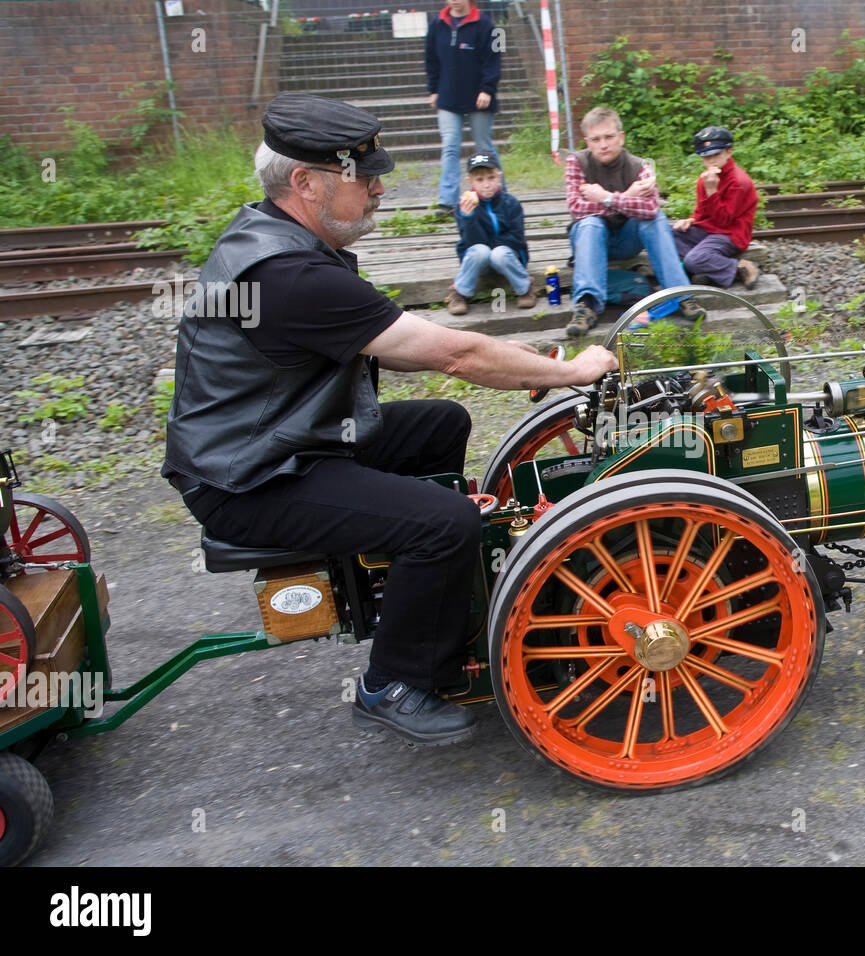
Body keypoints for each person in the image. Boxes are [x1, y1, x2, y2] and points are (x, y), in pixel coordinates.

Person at [162, 93, 616, 747]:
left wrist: (531, 366)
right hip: (250, 478)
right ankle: (395, 681)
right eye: (363, 176)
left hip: (282, 440)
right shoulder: (289, 275)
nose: (379, 187)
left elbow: (419, 350)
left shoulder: (272, 235)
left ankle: (429, 597)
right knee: (445, 522)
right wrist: (568, 370)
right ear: (305, 183)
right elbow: (454, 351)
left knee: (441, 425)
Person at [564, 106, 702, 338]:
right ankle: (586, 306)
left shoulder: (640, 166)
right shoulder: (576, 162)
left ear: (621, 137)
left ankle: (681, 295)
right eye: (596, 139)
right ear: (587, 141)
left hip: (628, 239)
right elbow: (577, 209)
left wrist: (607, 198)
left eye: (609, 137)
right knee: (589, 223)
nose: (603, 144)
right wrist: (629, 196)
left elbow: (651, 208)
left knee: (655, 219)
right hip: (593, 240)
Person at [425, 0, 502, 215]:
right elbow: (430, 59)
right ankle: (448, 201)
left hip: (480, 97)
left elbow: (494, 61)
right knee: (450, 146)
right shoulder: (436, 24)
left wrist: (488, 89)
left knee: (483, 146)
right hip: (448, 96)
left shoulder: (487, 25)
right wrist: (433, 90)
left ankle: (497, 194)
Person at [673, 126, 760, 290]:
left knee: (694, 260)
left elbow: (724, 222)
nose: (711, 161)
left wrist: (712, 190)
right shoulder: (706, 178)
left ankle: (740, 266)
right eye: (706, 157)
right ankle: (706, 270)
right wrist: (691, 219)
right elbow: (701, 211)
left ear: (729, 152)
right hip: (710, 229)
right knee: (668, 234)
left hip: (730, 233)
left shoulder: (739, 182)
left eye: (716, 154)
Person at [448, 153, 535, 315]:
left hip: (508, 258)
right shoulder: (463, 207)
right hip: (480, 260)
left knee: (498, 253)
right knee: (480, 250)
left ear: (499, 177)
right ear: (470, 181)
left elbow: (516, 239)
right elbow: (470, 244)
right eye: (479, 180)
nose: (486, 184)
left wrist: (492, 247)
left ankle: (525, 288)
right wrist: (469, 219)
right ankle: (459, 292)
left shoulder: (511, 204)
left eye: (491, 178)